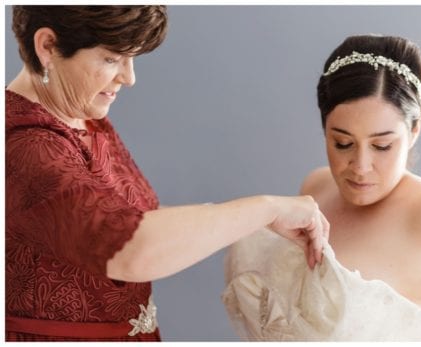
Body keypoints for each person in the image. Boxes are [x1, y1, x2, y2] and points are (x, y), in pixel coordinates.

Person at [5, 6, 329, 341]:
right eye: (112, 59)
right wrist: (267, 208)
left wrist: (256, 226)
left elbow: (142, 219)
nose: (129, 78)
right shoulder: (23, 145)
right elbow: (130, 248)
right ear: (47, 46)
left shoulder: (83, 117)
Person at [222, 35, 421, 341]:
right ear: (324, 128)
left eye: (382, 146)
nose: (360, 166)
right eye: (342, 143)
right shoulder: (316, 185)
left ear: (415, 129)